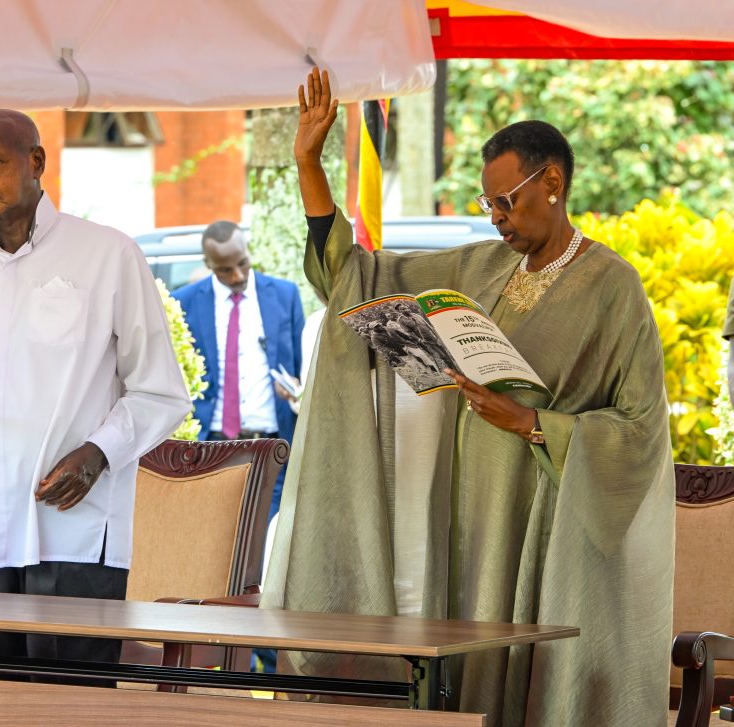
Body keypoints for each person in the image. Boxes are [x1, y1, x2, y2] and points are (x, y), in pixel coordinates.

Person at [262, 68, 674, 726]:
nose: (497, 218)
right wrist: (309, 162)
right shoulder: (479, 266)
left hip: (548, 525)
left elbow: (642, 433)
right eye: (488, 205)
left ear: (553, 183)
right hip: (469, 519)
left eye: (507, 200)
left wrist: (537, 424)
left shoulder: (612, 287)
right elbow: (357, 277)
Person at [0, 109, 191, 680]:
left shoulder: (107, 255)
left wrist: (98, 452)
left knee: (70, 704)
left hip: (67, 526)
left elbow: (160, 390)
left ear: (36, 163)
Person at [171, 221, 305, 521]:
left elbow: (304, 367)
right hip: (211, 447)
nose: (238, 275)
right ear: (208, 265)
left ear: (248, 252)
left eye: (243, 264)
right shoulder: (185, 303)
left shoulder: (285, 295)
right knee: (216, 543)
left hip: (272, 446)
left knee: (267, 545)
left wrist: (295, 387)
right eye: (225, 270)